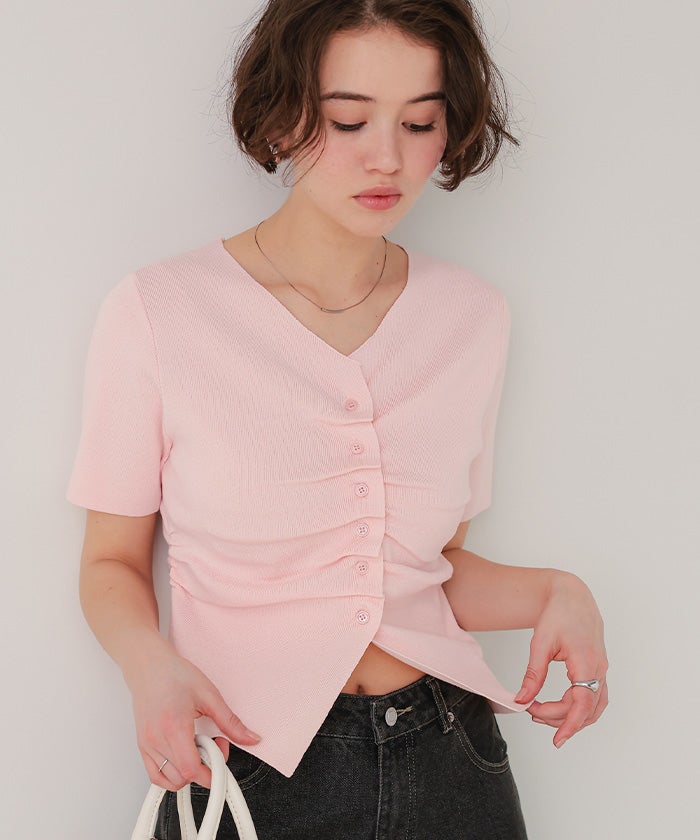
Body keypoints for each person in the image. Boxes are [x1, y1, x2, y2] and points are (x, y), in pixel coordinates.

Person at [66, 2, 608, 838]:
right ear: (282, 114)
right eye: (348, 120)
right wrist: (150, 668)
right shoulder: (161, 312)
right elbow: (110, 560)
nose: (387, 156)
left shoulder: (471, 317)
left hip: (451, 757)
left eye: (419, 122)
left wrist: (558, 592)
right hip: (251, 767)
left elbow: (420, 573)